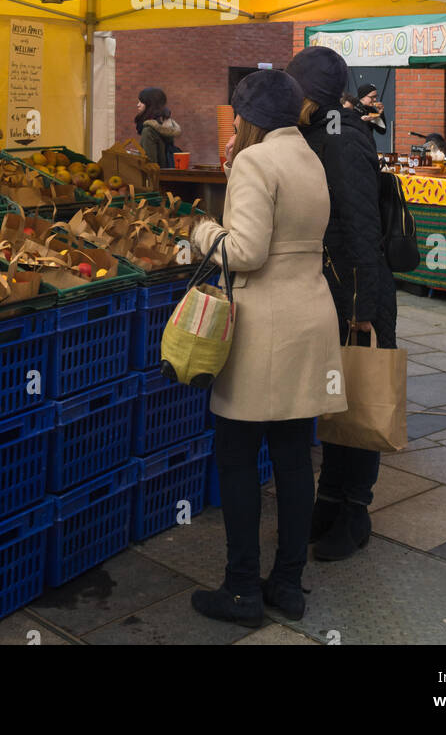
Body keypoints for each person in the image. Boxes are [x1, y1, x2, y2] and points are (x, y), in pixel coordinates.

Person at [188, 68, 346, 627]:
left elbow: (248, 250)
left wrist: (203, 233)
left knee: (234, 456)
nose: (233, 122)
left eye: (236, 113)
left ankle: (240, 590)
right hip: (310, 317)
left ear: (249, 116)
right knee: (293, 457)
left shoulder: (256, 161)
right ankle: (287, 583)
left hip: (266, 330)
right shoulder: (309, 156)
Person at [286, 46, 397, 561]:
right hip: (336, 288)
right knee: (337, 400)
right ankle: (329, 500)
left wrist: (360, 307)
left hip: (358, 291)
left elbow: (358, 228)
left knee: (359, 400)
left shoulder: (341, 138)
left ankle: (354, 511)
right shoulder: (319, 132)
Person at [134, 87, 181, 166]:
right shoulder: (164, 125)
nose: (138, 105)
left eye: (141, 102)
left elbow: (150, 164)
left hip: (155, 176)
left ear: (150, 104)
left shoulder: (148, 130)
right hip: (166, 174)